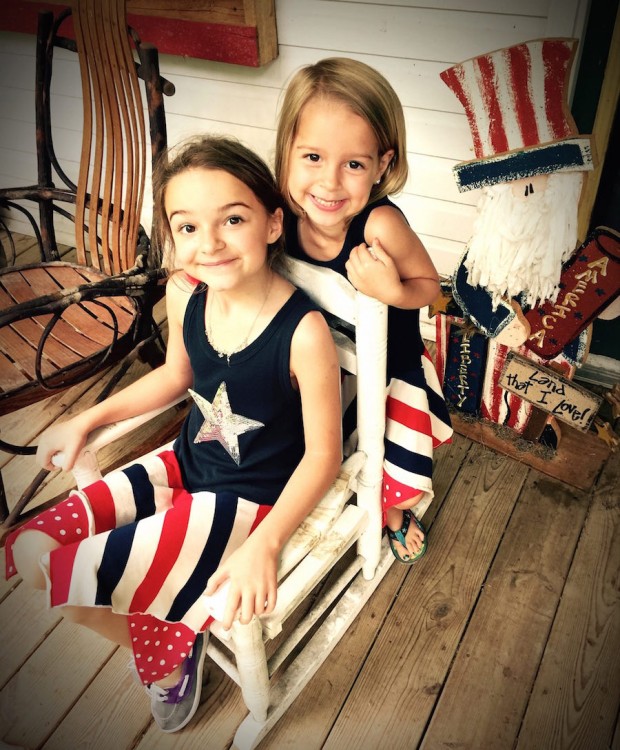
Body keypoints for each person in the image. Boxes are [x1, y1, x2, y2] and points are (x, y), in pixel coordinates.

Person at [5, 135, 342, 733]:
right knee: (33, 553)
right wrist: (88, 418)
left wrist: (266, 545)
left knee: (70, 578)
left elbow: (322, 456)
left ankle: (166, 654)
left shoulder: (303, 331)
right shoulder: (191, 298)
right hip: (182, 465)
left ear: (271, 224)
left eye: (232, 219)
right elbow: (176, 375)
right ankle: (167, 630)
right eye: (187, 227)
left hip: (245, 504)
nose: (208, 243)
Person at [275, 57, 453, 565]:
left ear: (382, 164)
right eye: (312, 156)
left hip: (387, 372)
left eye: (353, 164)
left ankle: (394, 513)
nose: (330, 184)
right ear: (287, 149)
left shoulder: (379, 227)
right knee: (315, 440)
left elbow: (430, 286)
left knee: (386, 458)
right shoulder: (280, 217)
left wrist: (391, 289)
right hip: (319, 365)